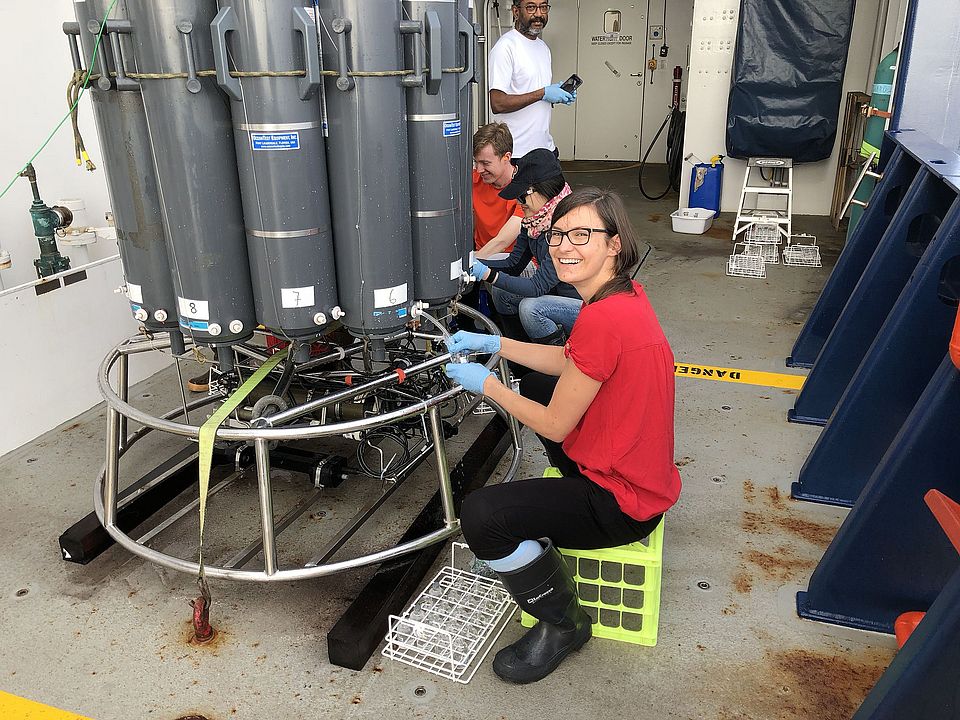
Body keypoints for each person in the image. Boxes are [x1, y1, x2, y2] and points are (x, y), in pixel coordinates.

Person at [445, 187, 682, 683]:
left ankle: (564, 625)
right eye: (558, 235)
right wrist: (497, 343)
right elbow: (569, 362)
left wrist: (487, 385)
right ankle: (567, 490)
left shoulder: (603, 319)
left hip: (624, 502)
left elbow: (554, 424)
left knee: (482, 517)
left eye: (582, 235)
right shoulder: (620, 298)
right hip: (633, 469)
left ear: (614, 243)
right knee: (536, 382)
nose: (563, 246)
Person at [470, 148, 581, 345]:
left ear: (543, 190)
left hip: (587, 307)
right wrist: (471, 264)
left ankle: (561, 359)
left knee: (531, 308)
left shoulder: (567, 228)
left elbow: (537, 287)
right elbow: (514, 264)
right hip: (555, 295)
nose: (519, 203)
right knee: (502, 292)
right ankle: (518, 360)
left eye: (522, 196)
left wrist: (487, 274)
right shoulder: (535, 221)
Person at [488, 1, 574, 159]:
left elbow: (532, 93)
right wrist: (543, 93)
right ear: (515, 11)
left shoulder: (543, 48)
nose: (539, 14)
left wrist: (558, 94)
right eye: (531, 7)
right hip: (517, 153)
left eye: (543, 7)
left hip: (545, 148)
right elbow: (497, 103)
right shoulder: (505, 48)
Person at [472, 122, 524, 259]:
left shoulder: (526, 188)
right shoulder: (474, 179)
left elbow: (502, 242)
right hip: (482, 255)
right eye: (476, 162)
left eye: (485, 163)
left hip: (514, 260)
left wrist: (469, 266)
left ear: (506, 157)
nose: (479, 169)